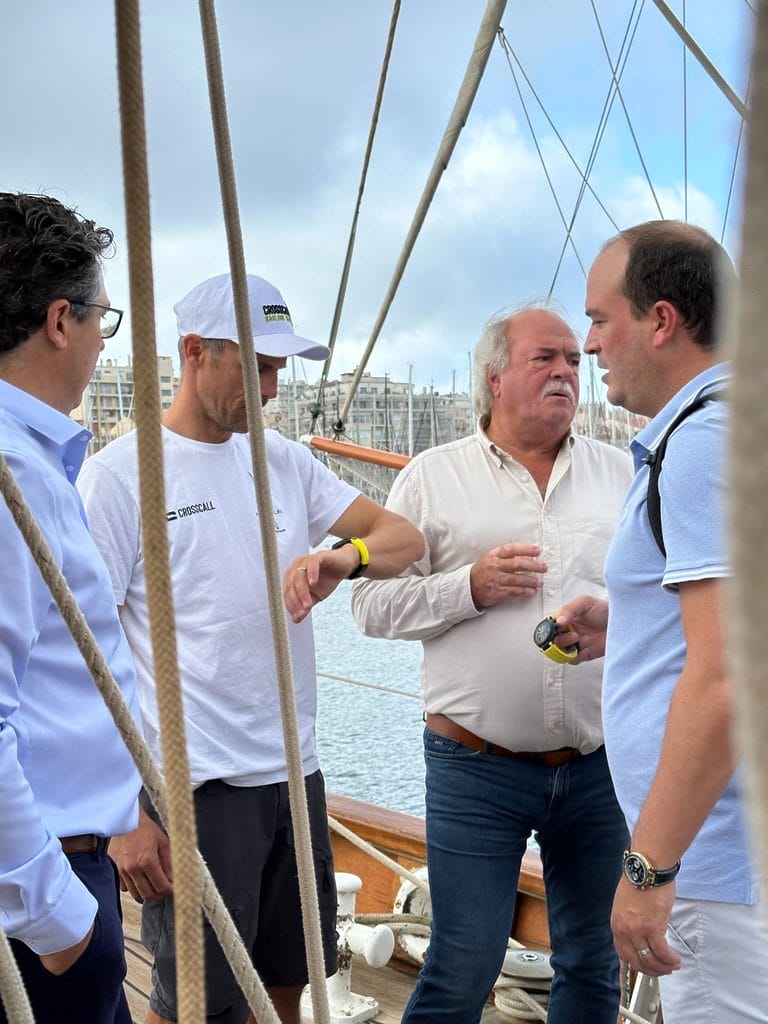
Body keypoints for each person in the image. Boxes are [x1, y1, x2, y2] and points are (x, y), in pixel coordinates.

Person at [77, 271, 424, 1024]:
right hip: (197, 792)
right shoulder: (118, 480)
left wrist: (343, 558)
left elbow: (404, 538)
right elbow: (84, 660)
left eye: (280, 370)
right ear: (195, 351)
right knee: (195, 1005)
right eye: (259, 367)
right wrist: (125, 819)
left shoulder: (285, 463)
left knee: (287, 988)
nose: (272, 391)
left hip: (296, 780)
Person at [351, 304, 634, 1023]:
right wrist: (468, 588)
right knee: (463, 965)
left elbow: (663, 609)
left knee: (594, 964)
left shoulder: (622, 475)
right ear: (494, 377)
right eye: (546, 359)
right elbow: (370, 610)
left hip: (598, 764)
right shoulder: (431, 479)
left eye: (575, 359)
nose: (568, 372)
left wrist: (615, 621)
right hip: (475, 767)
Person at [553, 220, 768, 1023]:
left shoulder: (704, 441)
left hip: (716, 866)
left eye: (601, 319)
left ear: (662, 320)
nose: (591, 343)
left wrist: (650, 868)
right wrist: (636, 619)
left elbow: (727, 678)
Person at [0, 192, 141, 1023]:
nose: (99, 339)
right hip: (41, 904)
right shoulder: (13, 478)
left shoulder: (35, 465)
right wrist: (61, 926)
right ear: (61, 320)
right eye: (102, 318)